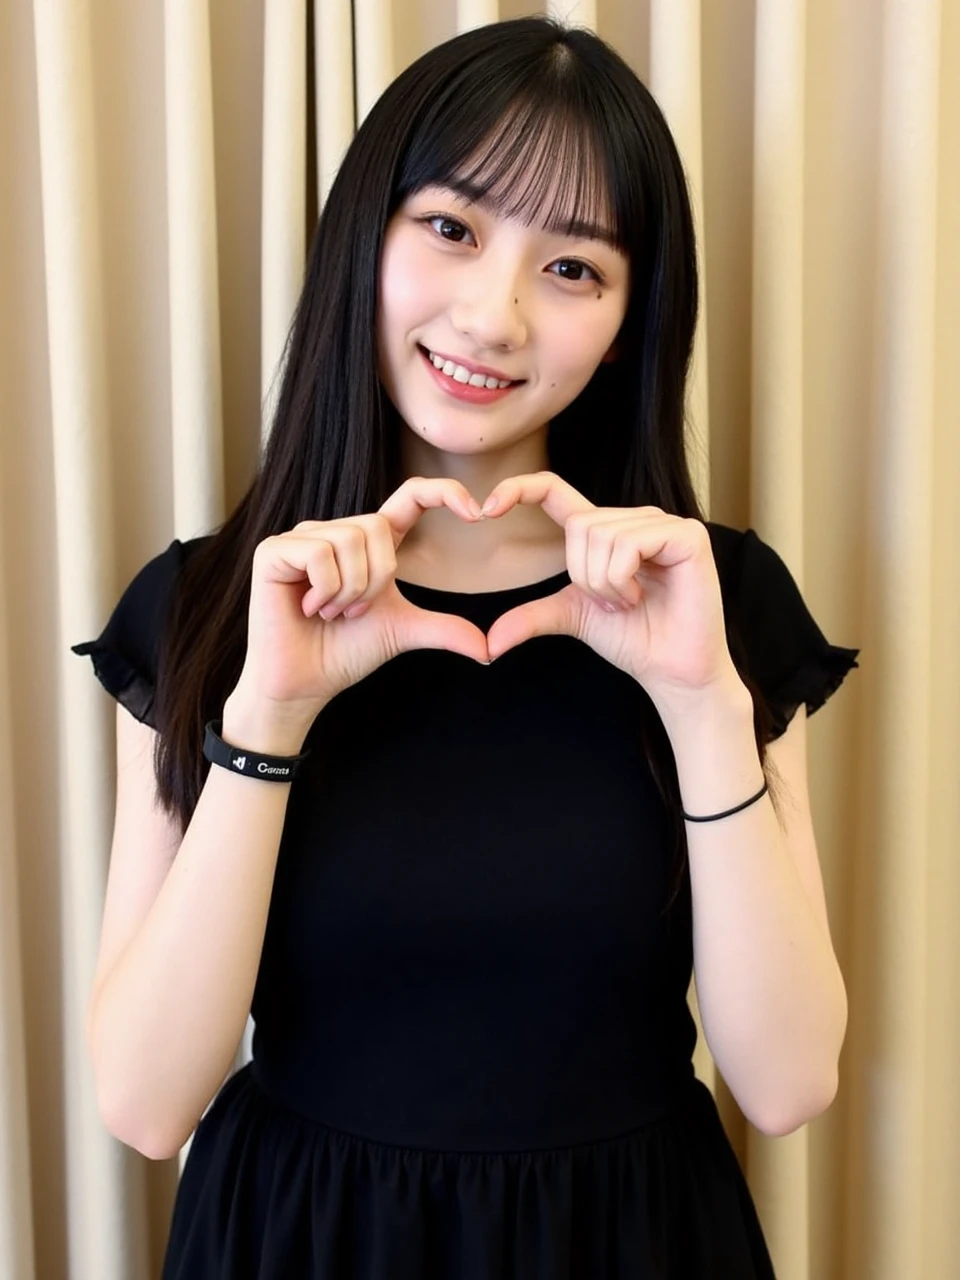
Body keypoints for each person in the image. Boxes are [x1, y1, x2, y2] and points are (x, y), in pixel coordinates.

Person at [74, 16, 859, 1278]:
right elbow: (147, 1103)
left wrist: (704, 703)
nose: (493, 316)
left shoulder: (719, 602)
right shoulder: (207, 605)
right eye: (451, 228)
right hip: (304, 1238)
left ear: (625, 324)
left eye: (574, 269)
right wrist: (266, 718)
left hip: (629, 1237)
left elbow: (788, 1078)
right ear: (364, 237)